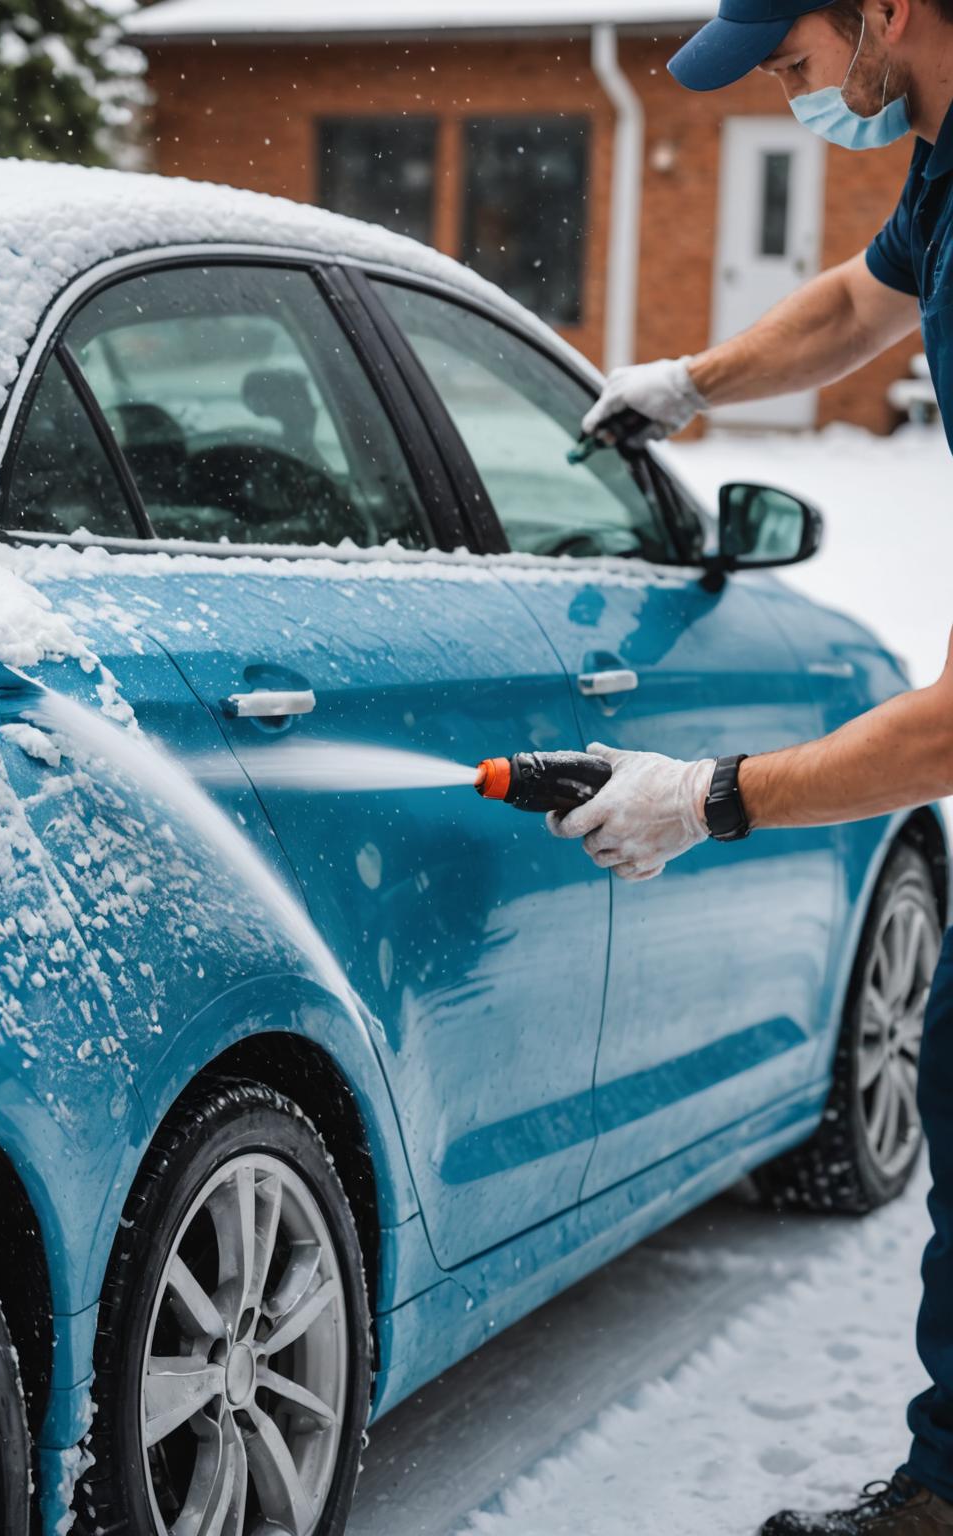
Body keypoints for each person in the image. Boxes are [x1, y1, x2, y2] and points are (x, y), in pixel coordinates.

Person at [570, 1, 953, 1530]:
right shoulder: (945, 162)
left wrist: (714, 795)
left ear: (887, 12)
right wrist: (695, 380)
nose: (794, 98)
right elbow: (869, 304)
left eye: (791, 63)